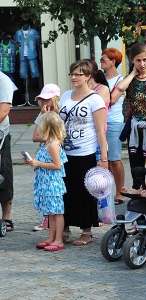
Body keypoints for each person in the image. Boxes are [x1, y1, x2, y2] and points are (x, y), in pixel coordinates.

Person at [59, 60, 108, 246]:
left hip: (85, 152)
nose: (73, 77)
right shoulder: (65, 96)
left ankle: (86, 230)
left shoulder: (95, 99)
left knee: (82, 192)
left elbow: (99, 130)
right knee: (65, 191)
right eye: (72, 74)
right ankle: (64, 227)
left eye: (78, 74)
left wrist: (103, 158)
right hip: (65, 152)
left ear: (88, 76)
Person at [116, 43, 146, 189]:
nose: (142, 64)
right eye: (138, 60)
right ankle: (137, 192)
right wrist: (132, 74)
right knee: (136, 164)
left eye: (144, 60)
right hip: (136, 129)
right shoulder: (131, 80)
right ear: (132, 61)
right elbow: (120, 88)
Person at [26, 112, 68, 252]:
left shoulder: (53, 145)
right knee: (51, 212)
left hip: (52, 184)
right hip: (46, 183)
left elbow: (57, 165)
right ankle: (51, 237)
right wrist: (35, 163)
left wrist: (38, 163)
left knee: (57, 212)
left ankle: (59, 239)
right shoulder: (46, 143)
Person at [32, 83, 61, 231]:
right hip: (44, 153)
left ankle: (55, 223)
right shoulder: (43, 113)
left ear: (56, 98)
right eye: (42, 99)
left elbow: (59, 136)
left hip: (55, 154)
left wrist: (47, 136)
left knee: (54, 193)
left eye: (47, 99)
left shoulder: (60, 113)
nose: (44, 102)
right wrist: (43, 116)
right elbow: (35, 137)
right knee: (44, 190)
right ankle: (47, 217)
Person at [100, 47, 126, 205]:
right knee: (104, 159)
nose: (101, 61)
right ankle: (106, 191)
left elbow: (112, 99)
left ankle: (120, 191)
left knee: (115, 159)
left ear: (113, 61)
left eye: (103, 59)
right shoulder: (98, 78)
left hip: (114, 122)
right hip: (99, 122)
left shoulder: (120, 80)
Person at [0, 71, 14, 232]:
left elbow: (3, 111)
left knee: (3, 175)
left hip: (0, 137)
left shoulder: (3, 81)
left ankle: (7, 218)